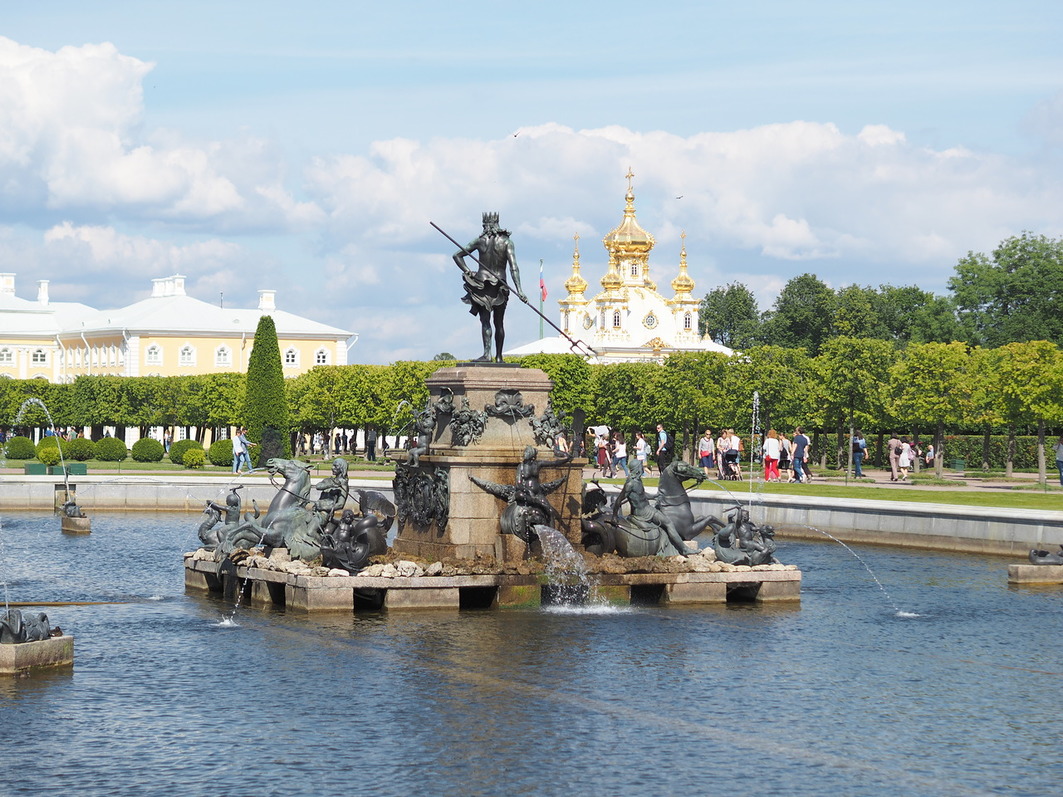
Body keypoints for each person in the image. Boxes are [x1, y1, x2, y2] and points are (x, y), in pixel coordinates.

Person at [453, 212, 528, 363]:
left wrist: (467, 270)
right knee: (499, 322)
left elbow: (457, 255)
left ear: (486, 226)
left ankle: (487, 354)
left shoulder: (479, 241)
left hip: (482, 286)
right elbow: (514, 267)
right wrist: (519, 290)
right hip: (500, 286)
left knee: (485, 321)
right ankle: (499, 357)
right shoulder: (507, 242)